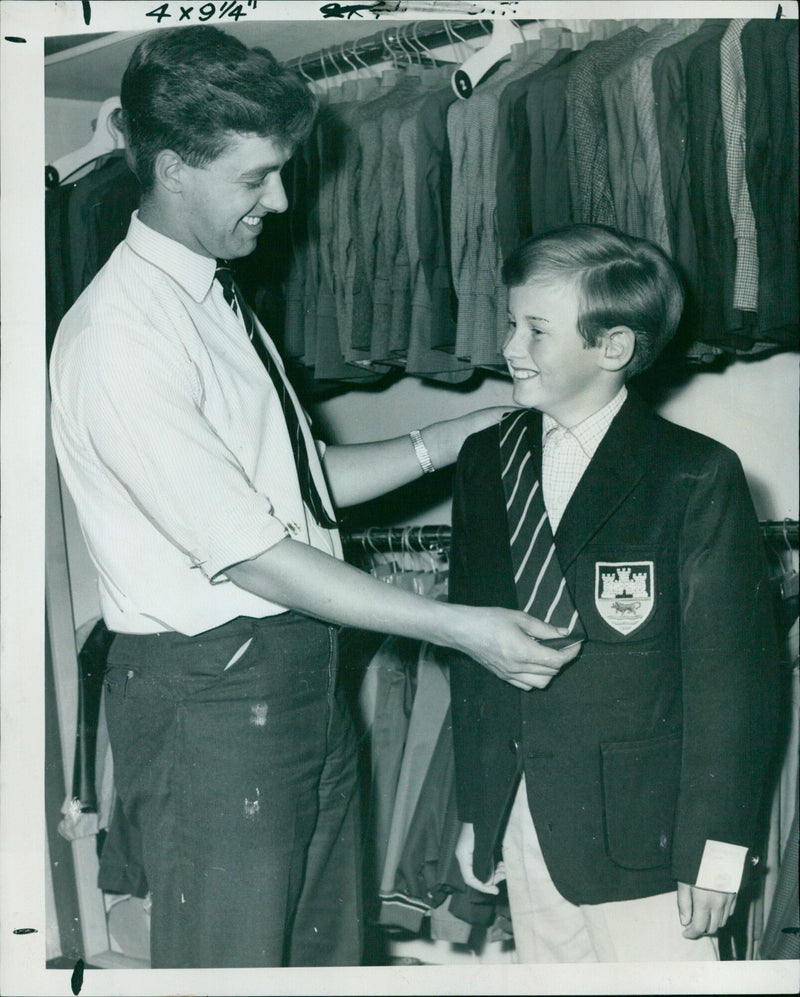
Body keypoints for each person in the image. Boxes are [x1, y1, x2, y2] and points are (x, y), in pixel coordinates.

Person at [48, 26, 582, 969]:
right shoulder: (120, 338)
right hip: (211, 695)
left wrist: (440, 441)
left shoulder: (213, 295)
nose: (282, 200)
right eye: (255, 178)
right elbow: (252, 550)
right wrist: (458, 627)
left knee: (324, 961)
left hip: (295, 674)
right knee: (235, 966)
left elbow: (290, 492)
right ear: (173, 167)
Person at [449, 224, 781, 963]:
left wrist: (717, 853)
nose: (509, 346)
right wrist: (477, 808)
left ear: (615, 348)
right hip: (526, 822)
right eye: (511, 322)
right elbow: (471, 658)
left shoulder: (693, 474)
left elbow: (736, 684)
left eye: (536, 330)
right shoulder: (484, 462)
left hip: (652, 839)